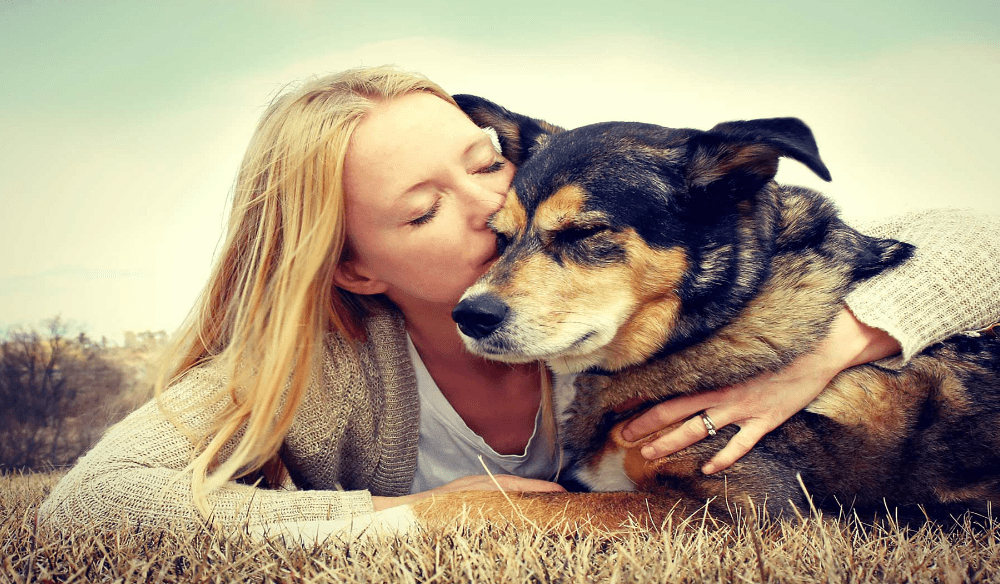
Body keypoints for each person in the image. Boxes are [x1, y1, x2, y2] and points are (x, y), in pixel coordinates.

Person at [38, 66, 1000, 532]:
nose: (498, 211)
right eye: (424, 212)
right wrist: (423, 520)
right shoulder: (321, 371)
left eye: (485, 164)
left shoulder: (622, 302)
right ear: (357, 269)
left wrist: (830, 351)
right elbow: (88, 511)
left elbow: (973, 241)